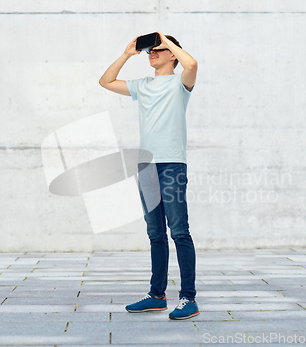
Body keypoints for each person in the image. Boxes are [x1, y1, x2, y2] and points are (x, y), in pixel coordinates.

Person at [99, 31, 198, 320]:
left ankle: (188, 298)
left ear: (171, 54)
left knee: (179, 231)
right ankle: (157, 295)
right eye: (149, 51)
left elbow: (191, 65)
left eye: (157, 50)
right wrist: (128, 54)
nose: (151, 53)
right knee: (155, 233)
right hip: (147, 166)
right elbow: (105, 81)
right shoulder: (142, 85)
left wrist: (166, 40)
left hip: (172, 165)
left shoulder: (181, 83)